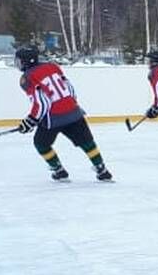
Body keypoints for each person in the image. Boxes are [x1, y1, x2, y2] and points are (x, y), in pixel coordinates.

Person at [14, 46, 112, 182]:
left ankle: (59, 171)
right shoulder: (53, 66)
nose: (17, 64)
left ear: (25, 62)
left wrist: (31, 120)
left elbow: (42, 102)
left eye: (18, 61)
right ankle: (102, 170)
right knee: (87, 142)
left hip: (53, 119)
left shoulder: (27, 78)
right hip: (73, 112)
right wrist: (73, 105)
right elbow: (69, 88)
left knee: (41, 144)